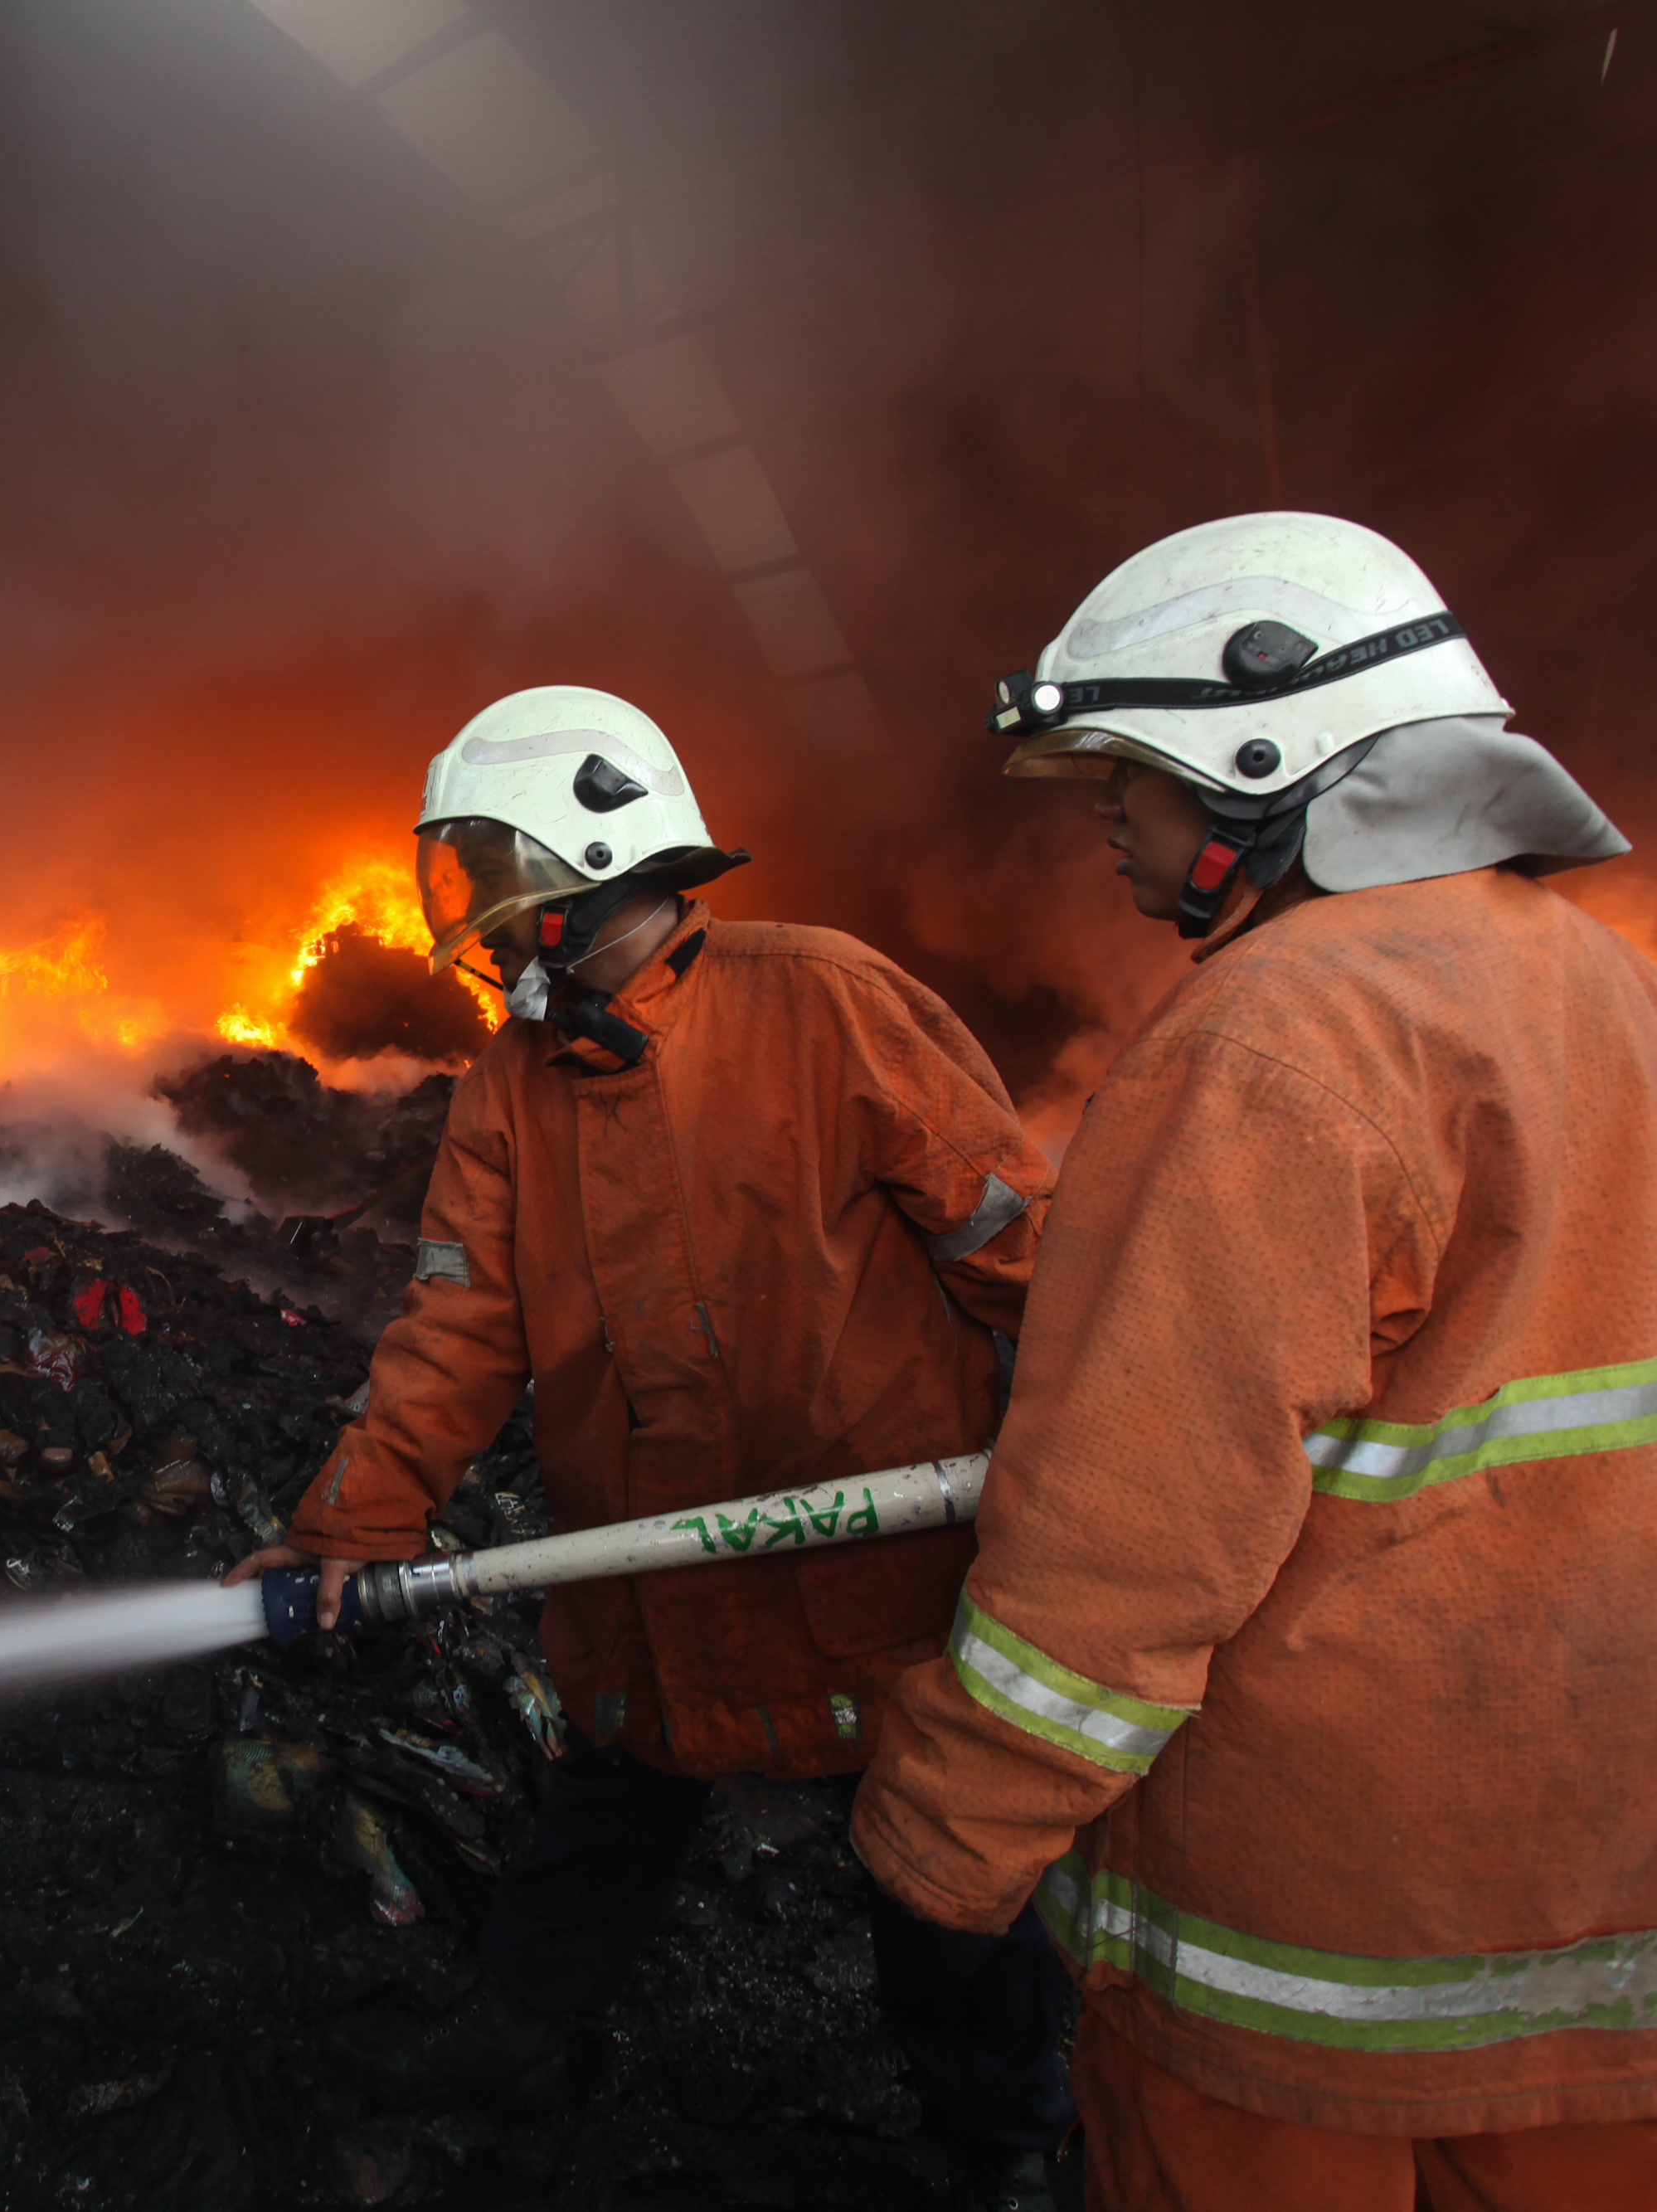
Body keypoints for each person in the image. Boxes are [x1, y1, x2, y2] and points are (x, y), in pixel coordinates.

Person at [853, 513, 1657, 2210]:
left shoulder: (1269, 1034)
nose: (1100, 824)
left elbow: (1125, 1532)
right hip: (1620, 1887)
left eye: (1121, 778)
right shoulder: (1603, 981)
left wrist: (942, 1844)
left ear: (1257, 755)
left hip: (1318, 1948)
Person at [226, 683, 1072, 2207]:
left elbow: (1018, 1251)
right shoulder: (512, 1088)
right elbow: (459, 1328)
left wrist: (1112, 1434)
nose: (472, 917)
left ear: (584, 865)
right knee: (608, 1804)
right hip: (654, 1573)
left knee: (942, 1866)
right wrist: (356, 1524)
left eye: (489, 874)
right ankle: (521, 2036)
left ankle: (1003, 2139)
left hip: (878, 1567)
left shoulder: (822, 999)